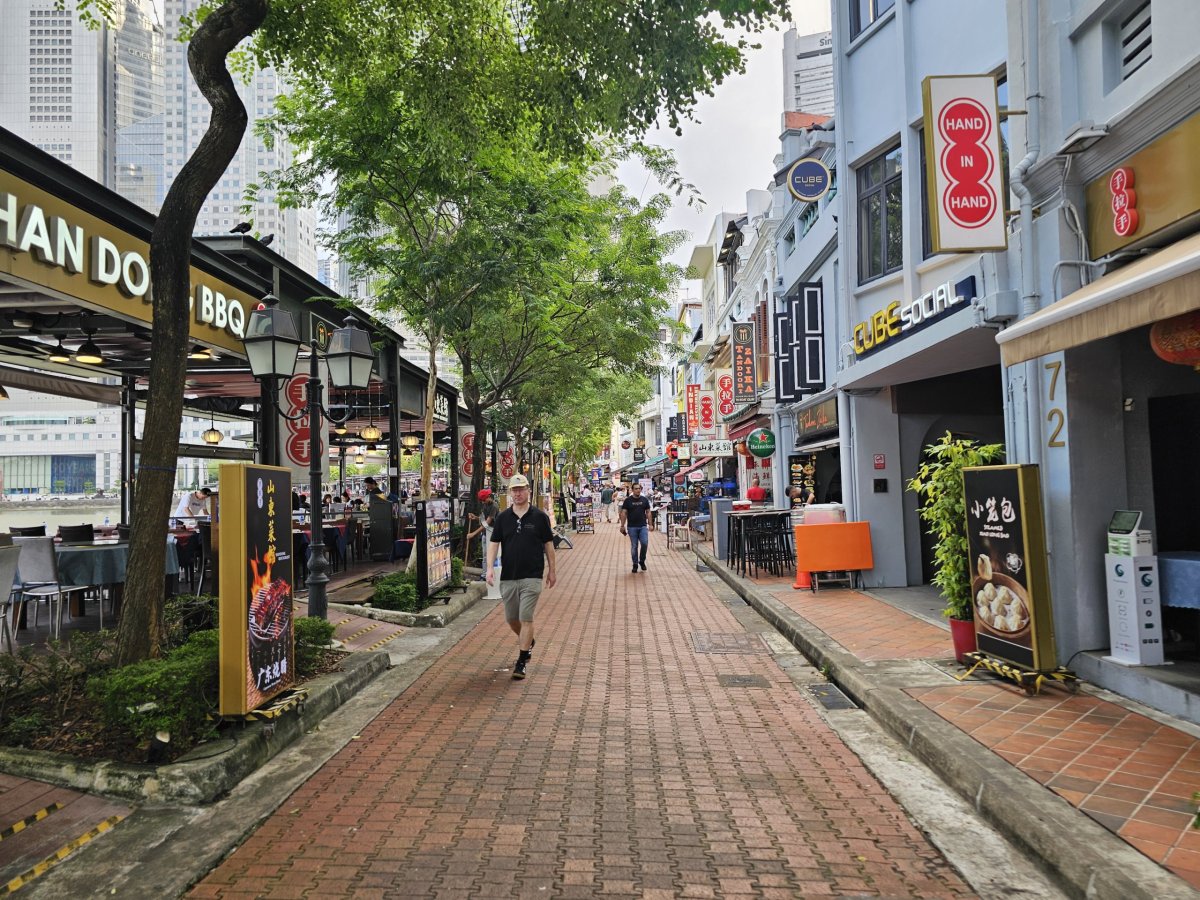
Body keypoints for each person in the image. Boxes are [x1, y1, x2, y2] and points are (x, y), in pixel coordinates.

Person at [487, 474, 556, 680]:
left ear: (528, 491)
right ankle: (529, 640)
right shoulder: (503, 518)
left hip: (532, 576)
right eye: (514, 490)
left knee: (526, 616)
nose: (517, 493)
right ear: (511, 493)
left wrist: (552, 570)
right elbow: (494, 543)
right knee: (511, 618)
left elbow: (549, 545)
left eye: (521, 489)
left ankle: (522, 660)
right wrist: (489, 567)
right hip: (509, 575)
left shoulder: (539, 517)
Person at [619, 482, 652, 573]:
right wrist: (622, 526)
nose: (638, 490)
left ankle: (642, 561)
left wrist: (651, 524)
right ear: (632, 490)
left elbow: (648, 512)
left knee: (644, 543)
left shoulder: (644, 500)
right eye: (636, 489)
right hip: (632, 527)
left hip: (643, 526)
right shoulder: (628, 501)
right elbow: (624, 513)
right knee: (634, 546)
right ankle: (635, 564)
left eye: (639, 488)